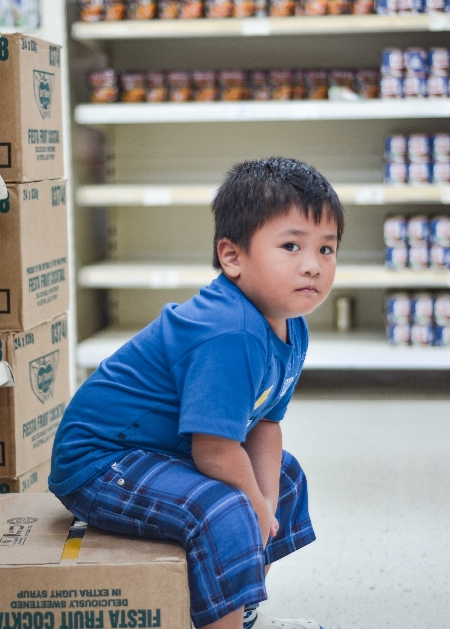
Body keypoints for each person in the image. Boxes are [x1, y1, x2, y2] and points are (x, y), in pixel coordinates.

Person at [49, 157, 344, 629]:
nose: (313, 266)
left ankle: (238, 600)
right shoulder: (229, 332)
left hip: (167, 449)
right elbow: (214, 450)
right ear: (232, 257)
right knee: (225, 508)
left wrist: (265, 502)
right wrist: (251, 505)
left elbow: (266, 422)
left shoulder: (292, 327)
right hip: (103, 462)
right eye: (291, 246)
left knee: (284, 478)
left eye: (326, 250)